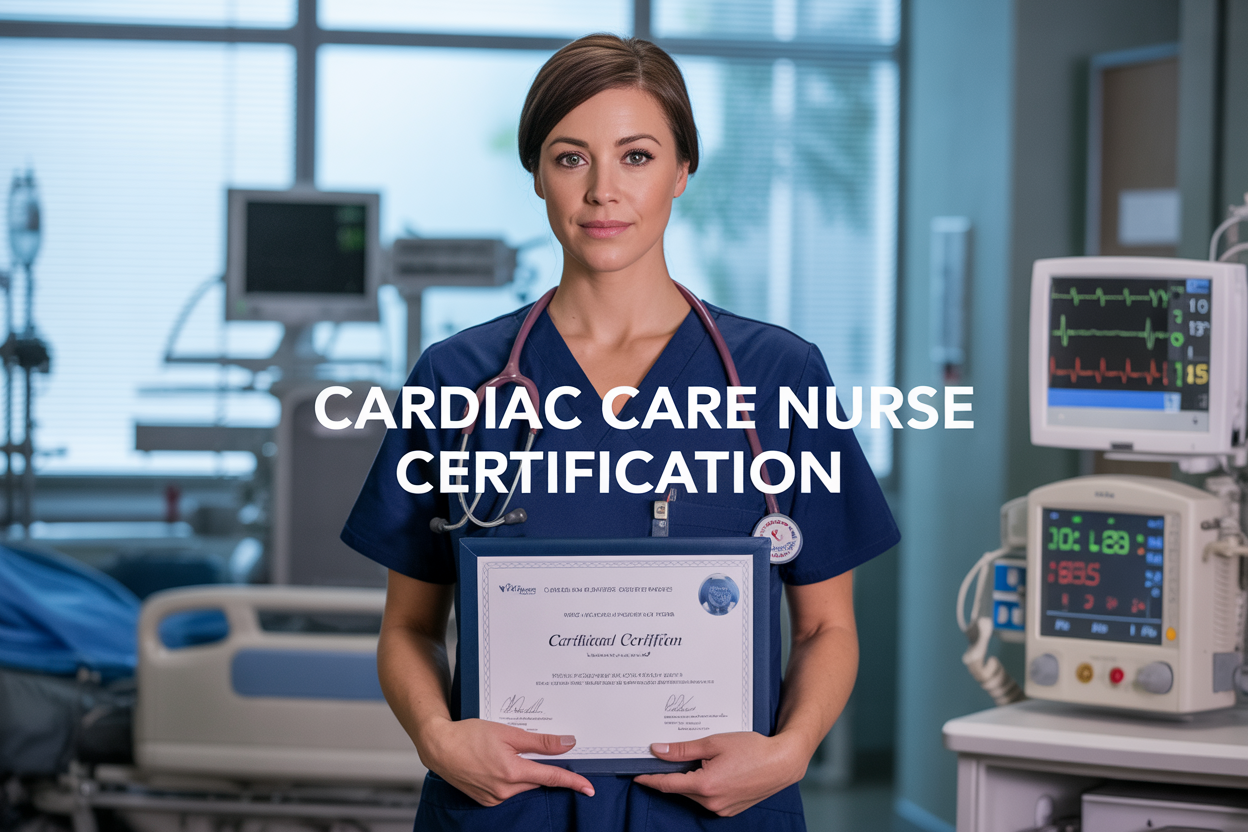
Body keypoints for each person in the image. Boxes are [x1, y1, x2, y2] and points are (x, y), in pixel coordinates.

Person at [340, 33, 899, 831]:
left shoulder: (778, 377)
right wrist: (436, 737)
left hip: (717, 814)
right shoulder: (457, 380)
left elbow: (826, 626)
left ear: (681, 172)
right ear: (537, 174)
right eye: (571, 158)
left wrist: (792, 750)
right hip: (507, 813)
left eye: (635, 156)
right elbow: (409, 627)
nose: (603, 190)